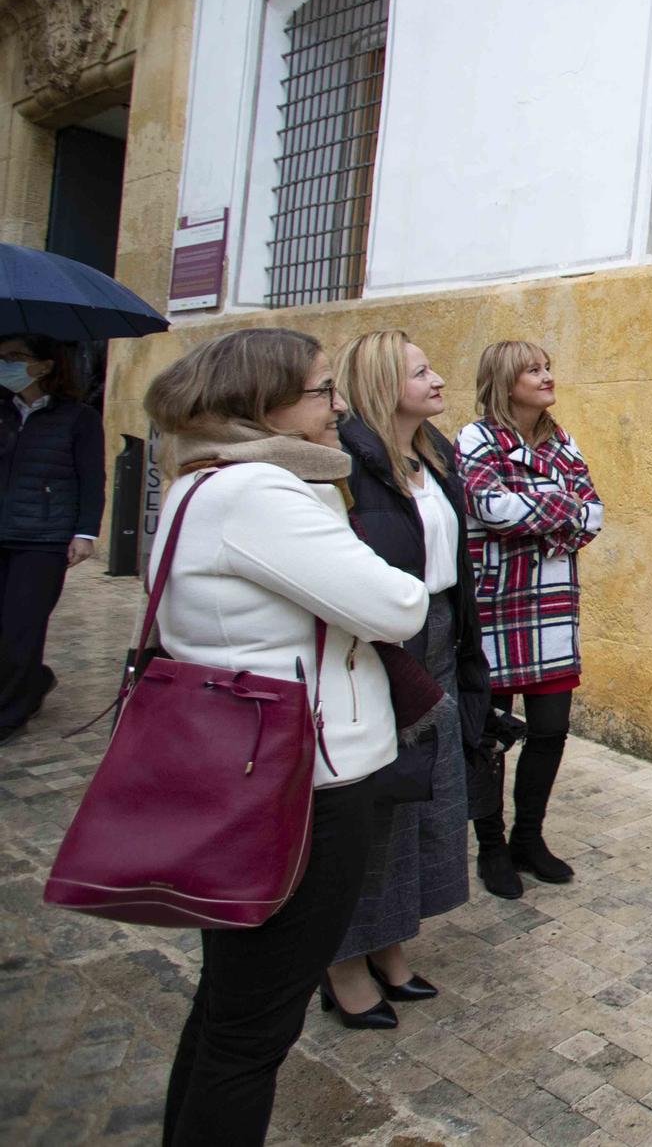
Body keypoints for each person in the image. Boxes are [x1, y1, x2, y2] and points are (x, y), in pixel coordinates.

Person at [145, 328, 427, 1146]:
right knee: (253, 1031)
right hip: (304, 783)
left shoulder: (202, 481)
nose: (339, 406)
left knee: (229, 1007)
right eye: (320, 390)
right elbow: (399, 604)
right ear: (260, 403)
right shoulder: (259, 493)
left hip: (246, 767)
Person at [320, 331, 489, 1028]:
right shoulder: (349, 467)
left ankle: (390, 942)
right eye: (423, 371)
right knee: (380, 807)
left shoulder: (435, 452)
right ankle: (342, 963)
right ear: (387, 383)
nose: (440, 377)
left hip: (442, 630)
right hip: (386, 645)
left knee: (429, 801)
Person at [457, 341, 602, 899]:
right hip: (495, 608)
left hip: (551, 608)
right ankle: (490, 848)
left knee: (550, 730)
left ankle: (528, 838)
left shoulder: (563, 441)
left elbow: (595, 515)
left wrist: (540, 512)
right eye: (533, 370)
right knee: (492, 736)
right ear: (504, 381)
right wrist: (560, 509)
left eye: (548, 367)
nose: (547, 377)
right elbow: (488, 508)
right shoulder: (476, 439)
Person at [0, 334, 102, 746]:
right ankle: (34, 680)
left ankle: (10, 714)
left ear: (43, 366)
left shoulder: (78, 418)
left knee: (21, 627)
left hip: (43, 537)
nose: (3, 364)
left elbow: (92, 478)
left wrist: (85, 531)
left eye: (13, 358)